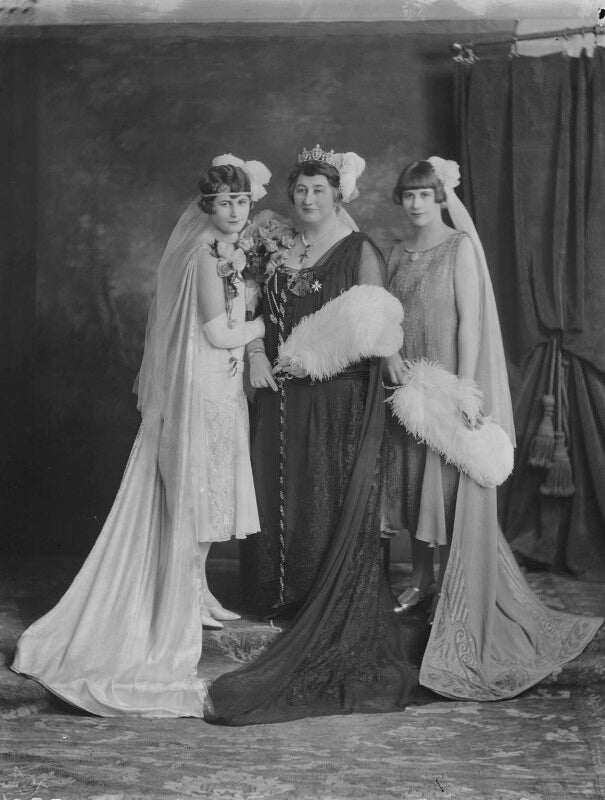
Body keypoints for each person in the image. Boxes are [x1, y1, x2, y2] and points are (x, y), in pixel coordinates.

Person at [11, 154, 271, 716]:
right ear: (207, 208)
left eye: (242, 201)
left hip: (222, 387)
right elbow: (216, 330)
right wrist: (263, 326)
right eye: (224, 202)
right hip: (201, 382)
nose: (234, 211)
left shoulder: (234, 252)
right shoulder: (204, 255)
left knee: (213, 486)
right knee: (198, 481)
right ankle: (187, 592)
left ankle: (199, 588)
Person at [206, 145, 421, 726]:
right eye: (300, 191)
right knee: (282, 487)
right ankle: (279, 592)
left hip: (339, 395)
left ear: (338, 195)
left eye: (318, 191)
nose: (306, 200)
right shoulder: (274, 245)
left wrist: (368, 360)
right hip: (278, 389)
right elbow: (244, 303)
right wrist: (254, 353)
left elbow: (377, 321)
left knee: (325, 489)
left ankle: (318, 598)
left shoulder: (358, 251)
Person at [382, 157, 602, 700]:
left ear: (440, 199)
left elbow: (471, 320)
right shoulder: (394, 252)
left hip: (447, 379)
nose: (415, 204)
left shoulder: (459, 248)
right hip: (406, 380)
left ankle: (454, 591)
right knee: (412, 481)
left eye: (425, 196)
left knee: (447, 484)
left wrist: (461, 388)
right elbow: (388, 316)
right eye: (408, 195)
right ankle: (421, 580)